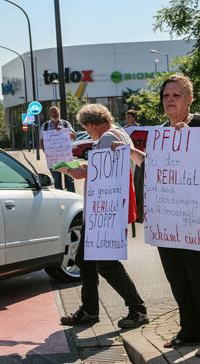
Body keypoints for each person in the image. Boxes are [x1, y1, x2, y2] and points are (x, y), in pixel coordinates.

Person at [115, 74, 200, 357]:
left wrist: (193, 140)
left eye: (176, 95)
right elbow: (154, 165)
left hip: (199, 219)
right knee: (178, 278)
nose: (170, 100)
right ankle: (191, 330)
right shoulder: (162, 133)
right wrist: (131, 152)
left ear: (189, 99)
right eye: (166, 96)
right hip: (169, 218)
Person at [61, 103, 149, 329]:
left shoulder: (108, 138)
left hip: (106, 212)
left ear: (91, 124)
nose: (88, 133)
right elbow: (106, 168)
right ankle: (89, 310)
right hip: (105, 210)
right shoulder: (118, 132)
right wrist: (87, 167)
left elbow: (104, 174)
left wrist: (76, 171)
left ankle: (137, 309)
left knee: (107, 264)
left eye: (87, 129)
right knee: (84, 260)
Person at [40, 106, 76, 192]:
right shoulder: (45, 126)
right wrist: (47, 154)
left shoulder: (65, 124)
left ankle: (72, 198)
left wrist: (64, 130)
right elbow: (42, 141)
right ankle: (61, 201)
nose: (54, 114)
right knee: (57, 181)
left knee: (70, 180)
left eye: (55, 112)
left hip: (66, 159)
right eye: (52, 112)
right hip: (53, 159)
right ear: (49, 114)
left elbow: (74, 136)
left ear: (59, 113)